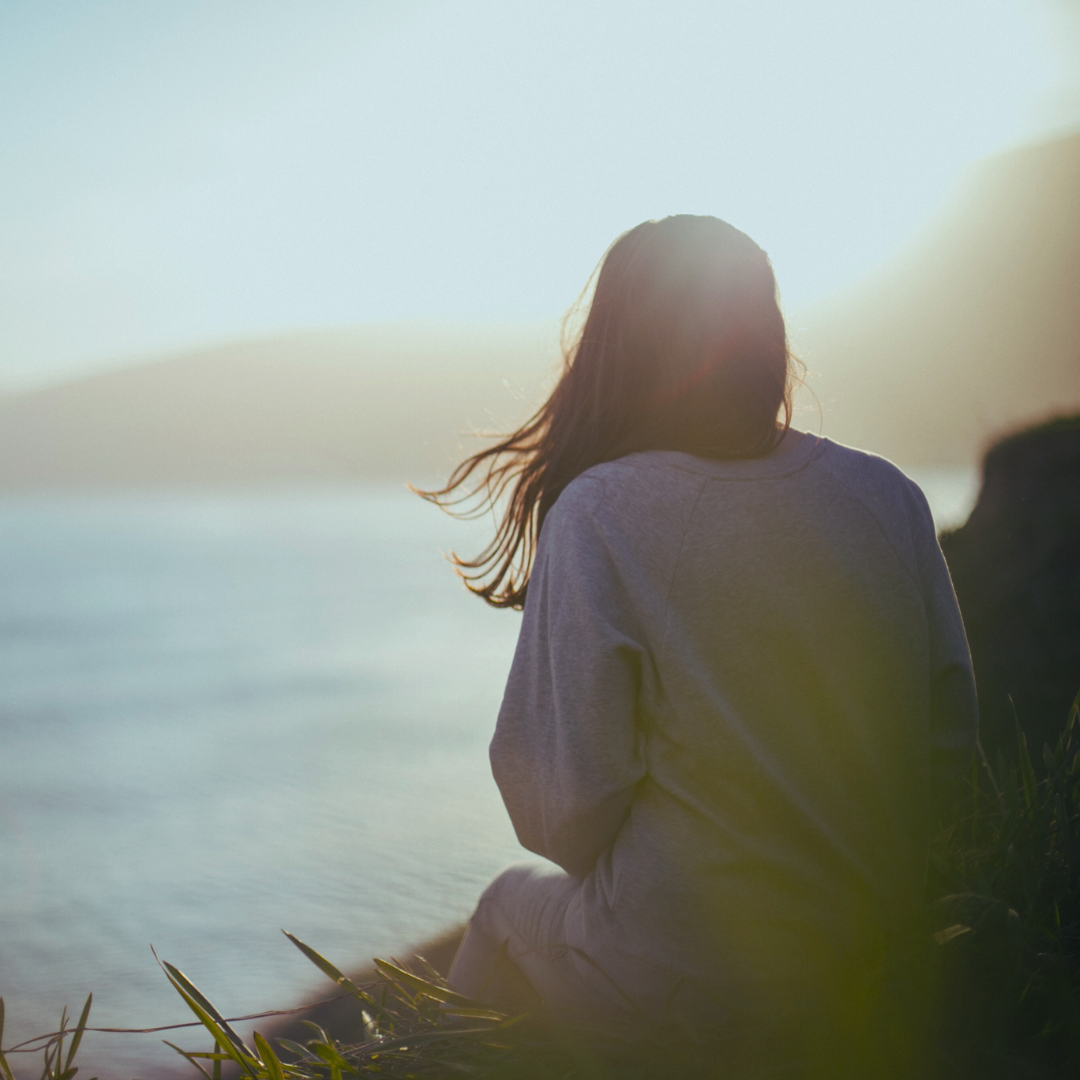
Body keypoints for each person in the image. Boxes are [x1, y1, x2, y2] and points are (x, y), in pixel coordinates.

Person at [420, 216, 978, 1067]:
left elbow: (560, 815)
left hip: (689, 975)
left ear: (616, 348)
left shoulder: (602, 512)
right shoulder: (888, 495)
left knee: (503, 909)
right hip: (876, 952)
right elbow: (949, 753)